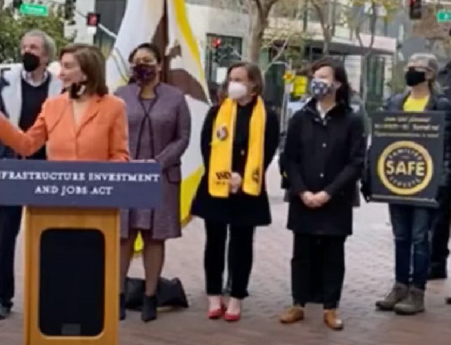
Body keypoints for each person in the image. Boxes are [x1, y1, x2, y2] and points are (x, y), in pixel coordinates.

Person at [278, 59, 366, 330]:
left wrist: (328, 193)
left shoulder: (351, 119)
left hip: (335, 200)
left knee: (333, 255)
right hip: (302, 197)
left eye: (324, 76)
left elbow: (356, 161)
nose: (318, 81)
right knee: (301, 253)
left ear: (337, 83)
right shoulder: (301, 117)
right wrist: (302, 190)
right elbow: (289, 158)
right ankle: (298, 304)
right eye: (315, 76)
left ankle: (330, 307)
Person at [190, 61, 280, 322]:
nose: (233, 84)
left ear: (254, 84)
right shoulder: (216, 112)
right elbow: (207, 148)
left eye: (239, 79)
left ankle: (237, 297)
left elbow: (268, 150)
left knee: (242, 244)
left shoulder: (267, 116)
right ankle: (214, 295)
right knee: (214, 242)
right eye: (231, 79)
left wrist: (242, 176)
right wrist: (224, 176)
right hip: (216, 188)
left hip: (248, 188)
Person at [0, 30, 62, 320]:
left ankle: (49, 295)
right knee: (5, 236)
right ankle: (2, 298)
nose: (28, 51)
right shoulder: (3, 83)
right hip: (10, 166)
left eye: (35, 47)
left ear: (46, 56)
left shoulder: (61, 88)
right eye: (25, 46)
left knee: (49, 235)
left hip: (46, 168)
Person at [366, 53, 451, 315]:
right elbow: (382, 140)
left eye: (418, 68)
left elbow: (446, 147)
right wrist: (372, 177)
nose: (411, 71)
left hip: (426, 184)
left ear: (430, 74)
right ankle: (399, 285)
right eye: (410, 67)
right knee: (400, 236)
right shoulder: (395, 102)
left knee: (419, 237)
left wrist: (442, 180)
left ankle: (417, 292)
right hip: (397, 182)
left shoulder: (441, 105)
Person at [114, 43, 190, 322]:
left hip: (161, 177)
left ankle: (150, 296)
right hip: (127, 175)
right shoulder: (120, 95)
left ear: (159, 65)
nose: (141, 66)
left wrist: (158, 162)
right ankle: (119, 296)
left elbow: (182, 138)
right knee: (124, 236)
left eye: (147, 61)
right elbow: (112, 131)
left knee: (154, 237)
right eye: (136, 62)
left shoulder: (176, 98)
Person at [0, 43, 128, 162]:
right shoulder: (52, 105)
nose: (61, 73)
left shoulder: (114, 106)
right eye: (61, 66)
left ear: (87, 72)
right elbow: (27, 145)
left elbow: (120, 156)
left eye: (68, 67)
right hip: (55, 196)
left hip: (96, 194)